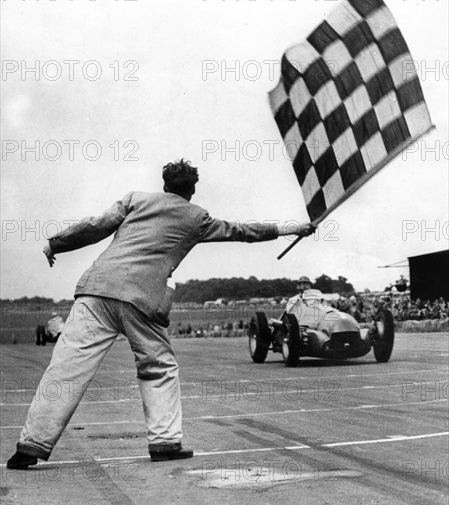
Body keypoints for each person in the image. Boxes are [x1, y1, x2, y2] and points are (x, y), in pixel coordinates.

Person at [7, 159, 316, 469]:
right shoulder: (197, 218)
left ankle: (29, 446)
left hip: (95, 291)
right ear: (192, 190)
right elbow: (244, 231)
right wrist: (294, 228)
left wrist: (55, 244)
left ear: (165, 184)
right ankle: (165, 442)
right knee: (159, 366)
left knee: (65, 370)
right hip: (142, 299)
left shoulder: (134, 199)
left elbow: (95, 226)